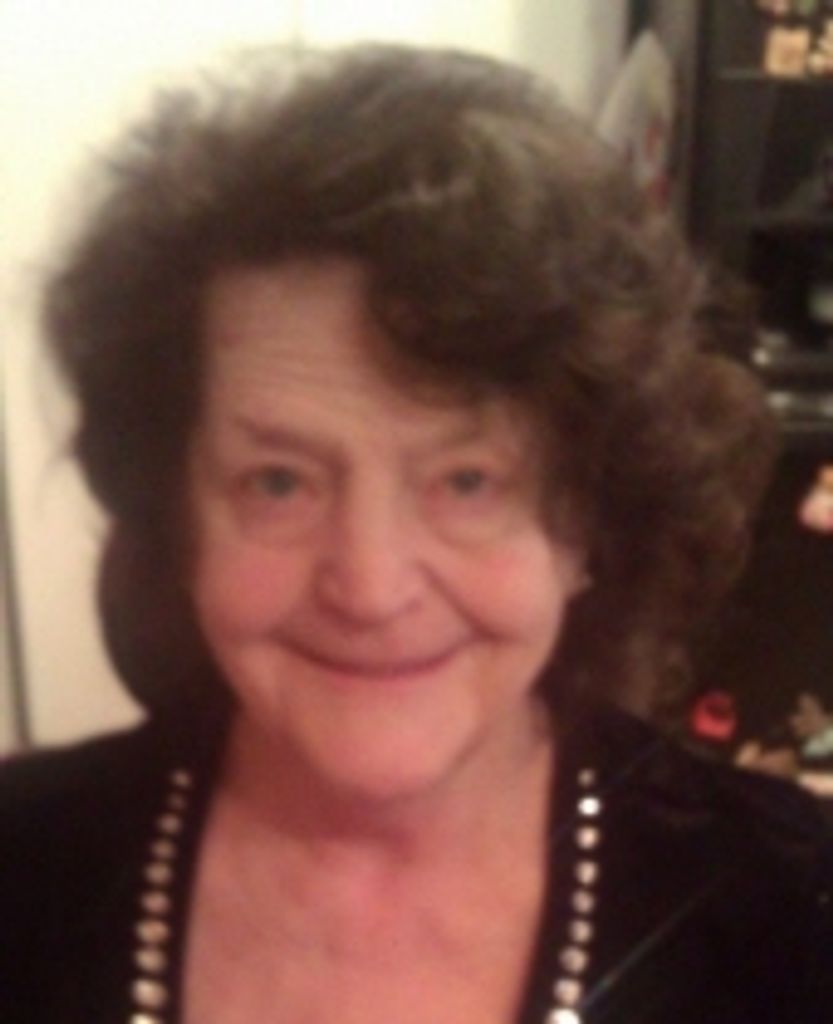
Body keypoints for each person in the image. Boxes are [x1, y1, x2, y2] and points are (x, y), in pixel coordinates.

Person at [1, 44, 831, 1024]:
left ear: (589, 522)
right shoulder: (27, 866)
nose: (370, 585)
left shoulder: (792, 915)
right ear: (178, 518)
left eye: (467, 481)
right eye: (278, 482)